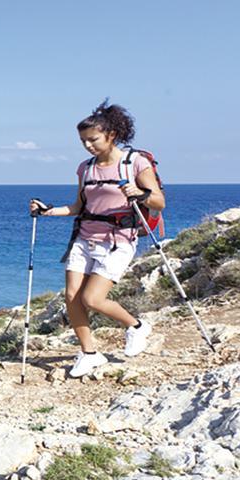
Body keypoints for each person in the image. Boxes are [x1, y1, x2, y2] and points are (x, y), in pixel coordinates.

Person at [30, 100, 164, 377]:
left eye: (92, 139)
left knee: (92, 298)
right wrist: (48, 211)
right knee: (72, 296)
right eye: (83, 141)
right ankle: (89, 353)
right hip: (84, 238)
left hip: (119, 240)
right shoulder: (86, 168)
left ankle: (137, 327)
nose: (88, 145)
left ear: (111, 135)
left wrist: (140, 194)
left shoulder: (135, 163)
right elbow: (78, 207)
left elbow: (159, 202)